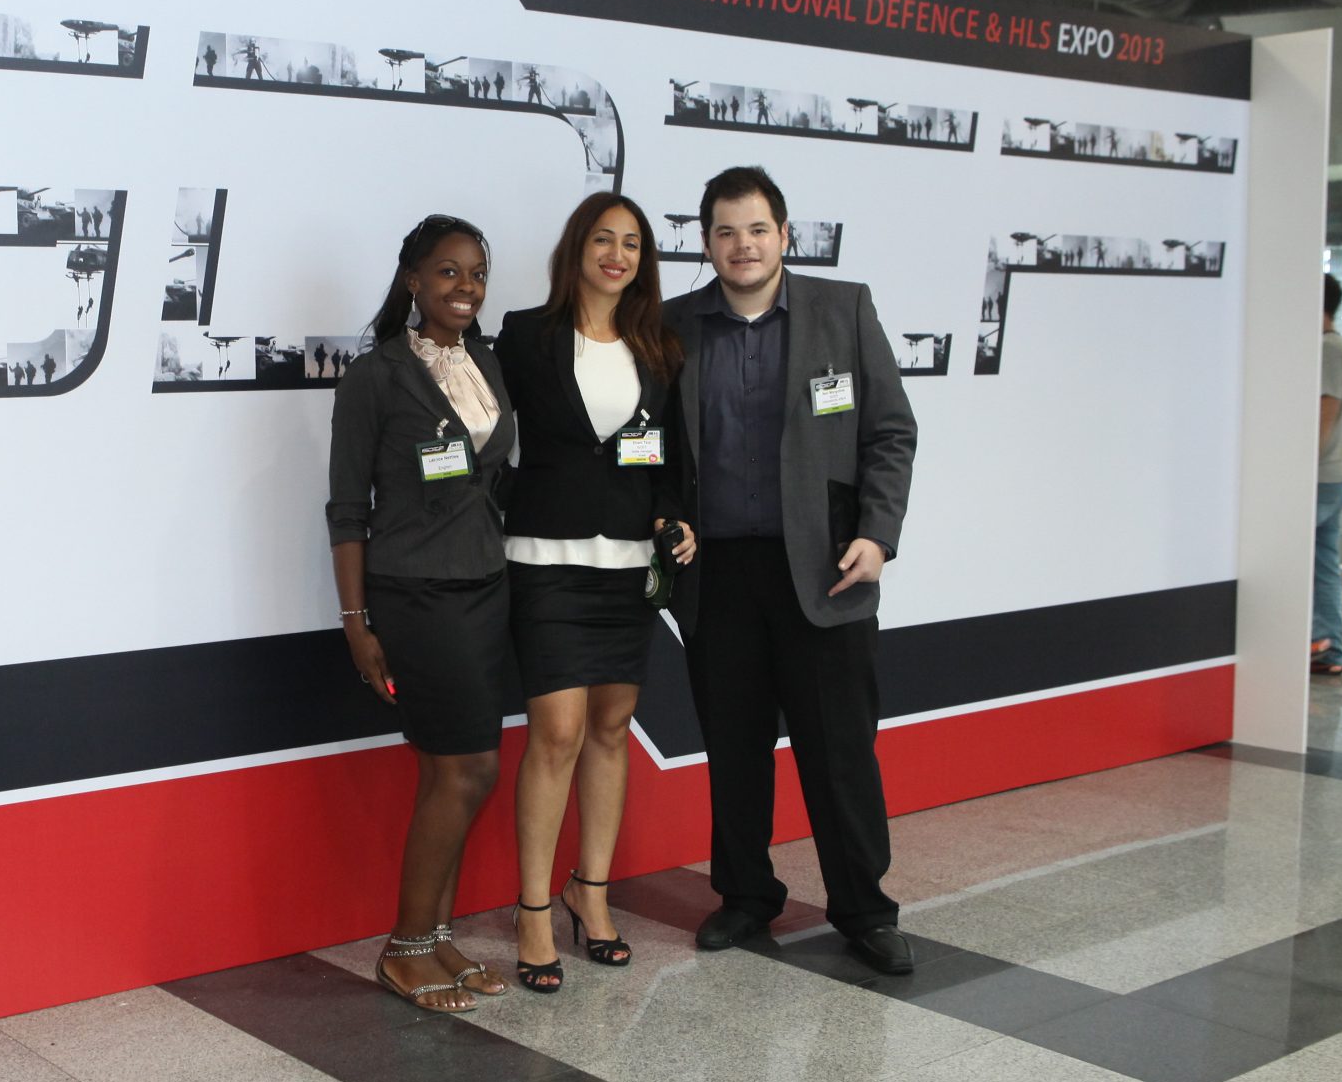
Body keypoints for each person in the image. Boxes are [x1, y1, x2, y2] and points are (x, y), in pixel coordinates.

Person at [666, 165, 919, 974]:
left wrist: (878, 534)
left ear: (784, 234)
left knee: (839, 751)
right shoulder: (672, 327)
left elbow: (890, 432)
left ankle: (864, 907)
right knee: (734, 748)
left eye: (756, 229)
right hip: (719, 576)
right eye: (725, 231)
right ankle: (746, 895)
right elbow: (654, 447)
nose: (742, 245)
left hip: (825, 570)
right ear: (707, 242)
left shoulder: (843, 309)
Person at [494, 192, 696, 992]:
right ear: (577, 247)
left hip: (628, 564)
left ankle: (593, 890)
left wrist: (674, 516)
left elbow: (669, 457)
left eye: (633, 243)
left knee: (611, 727)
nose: (618, 254)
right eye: (604, 239)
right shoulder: (524, 335)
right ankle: (533, 910)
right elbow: (478, 424)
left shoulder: (659, 347)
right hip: (544, 557)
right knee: (557, 730)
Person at [327, 215, 519, 1011]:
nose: (465, 287)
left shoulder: (487, 362)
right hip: (416, 595)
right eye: (447, 271)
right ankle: (404, 949)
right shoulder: (374, 377)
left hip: (485, 588)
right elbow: (347, 509)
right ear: (413, 280)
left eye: (476, 273)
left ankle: (435, 936)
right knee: (468, 769)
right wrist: (356, 621)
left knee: (458, 771)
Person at [1315, 273, 1342, 677]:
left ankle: (1319, 642)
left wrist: (1297, 472)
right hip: (1335, 474)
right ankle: (1330, 648)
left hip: (1321, 477)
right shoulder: (1337, 347)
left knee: (1290, 557)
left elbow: (1323, 418)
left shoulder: (1328, 350)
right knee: (1322, 562)